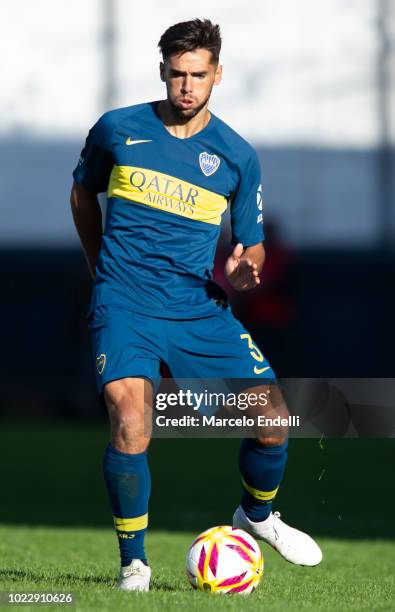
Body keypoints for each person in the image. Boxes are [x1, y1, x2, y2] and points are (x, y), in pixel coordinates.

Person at [70, 18, 322, 592]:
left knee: (273, 420)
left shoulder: (237, 155)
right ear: (162, 71)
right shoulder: (117, 129)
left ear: (218, 75)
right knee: (131, 421)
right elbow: (82, 192)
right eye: (178, 74)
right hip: (125, 301)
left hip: (195, 307)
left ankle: (256, 515)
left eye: (198, 75)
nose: (187, 86)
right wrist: (98, 270)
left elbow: (251, 239)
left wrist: (246, 262)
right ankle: (134, 562)